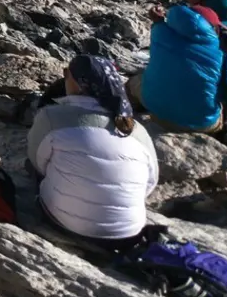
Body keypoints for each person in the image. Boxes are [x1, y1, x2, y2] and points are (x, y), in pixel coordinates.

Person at [28, 53, 159, 244]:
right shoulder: (136, 129)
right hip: (128, 231)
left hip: (67, 223)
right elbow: (151, 181)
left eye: (67, 73)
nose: (64, 77)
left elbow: (37, 162)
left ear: (80, 84)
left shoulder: (51, 117)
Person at [133, 0, 227, 132]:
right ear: (214, 30)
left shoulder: (159, 33)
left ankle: (130, 108)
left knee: (135, 81)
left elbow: (160, 24)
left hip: (155, 109)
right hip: (199, 123)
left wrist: (158, 20)